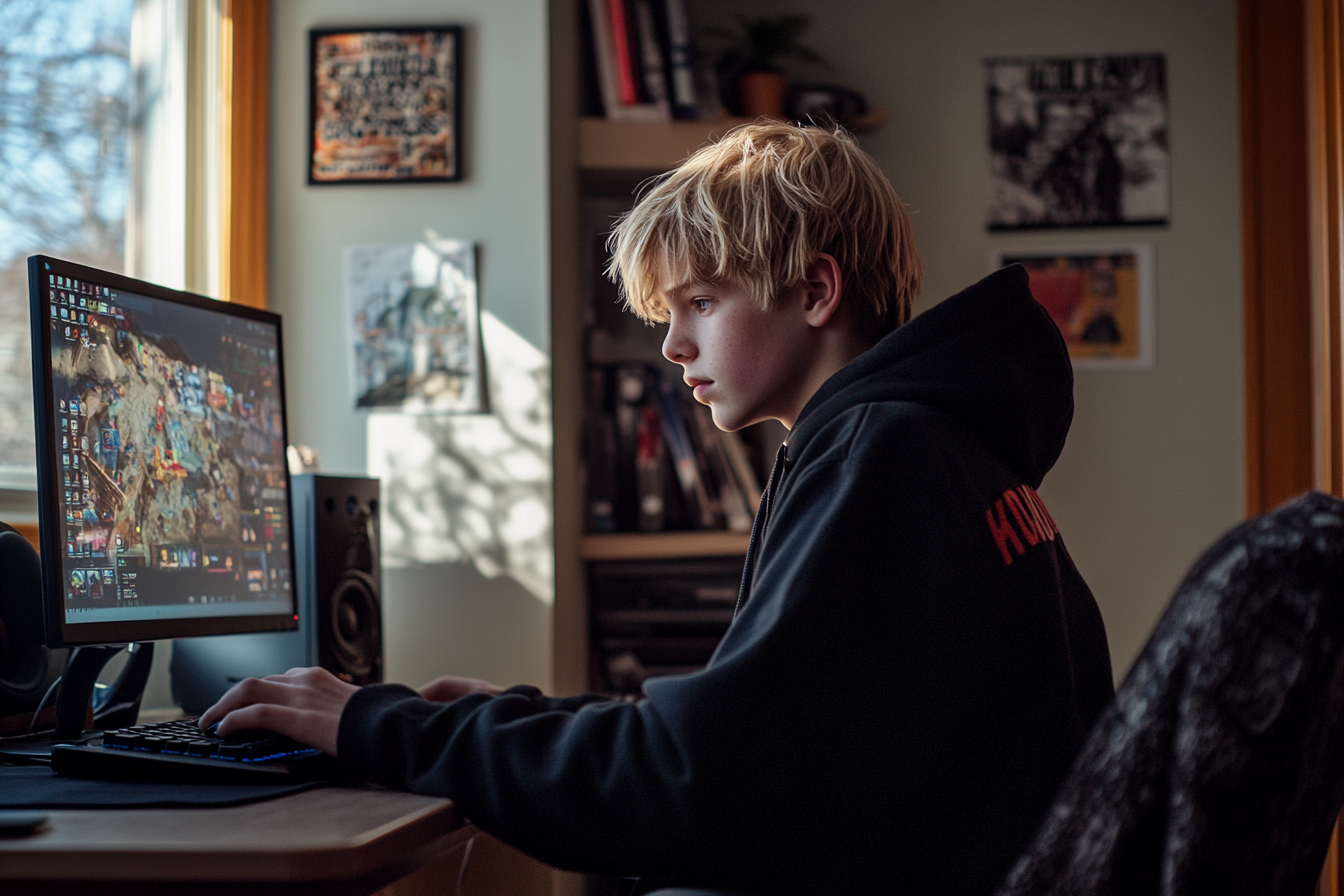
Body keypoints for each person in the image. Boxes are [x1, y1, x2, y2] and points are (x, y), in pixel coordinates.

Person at [200, 122, 1114, 895]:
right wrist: (525, 719)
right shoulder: (942, 445)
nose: (674, 346)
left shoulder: (880, 453)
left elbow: (695, 789)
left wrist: (374, 723)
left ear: (816, 290)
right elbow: (757, 750)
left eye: (702, 303)